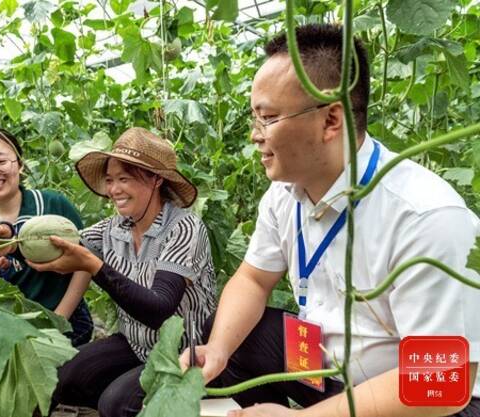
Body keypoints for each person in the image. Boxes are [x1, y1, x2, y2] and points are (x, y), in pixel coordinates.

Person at [179, 24, 480, 417]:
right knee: (231, 336)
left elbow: (440, 384)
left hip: (420, 403)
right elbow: (253, 278)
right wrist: (217, 350)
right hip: (326, 372)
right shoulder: (285, 193)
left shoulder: (424, 215)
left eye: (267, 117)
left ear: (331, 121)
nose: (255, 135)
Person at [28, 127, 218, 417]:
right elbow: (58, 242)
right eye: (110, 180)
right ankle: (137, 388)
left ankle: (177, 400)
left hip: (186, 351)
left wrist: (93, 265)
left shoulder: (184, 228)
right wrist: (10, 241)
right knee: (66, 377)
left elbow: (159, 309)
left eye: (124, 179)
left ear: (155, 180)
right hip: (136, 344)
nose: (113, 190)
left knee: (116, 405)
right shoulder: (112, 228)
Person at [0, 127, 94, 345]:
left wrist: (58, 320)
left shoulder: (52, 204)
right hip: (6, 335)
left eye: (1, 161)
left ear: (19, 164)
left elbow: (85, 264)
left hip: (66, 324)